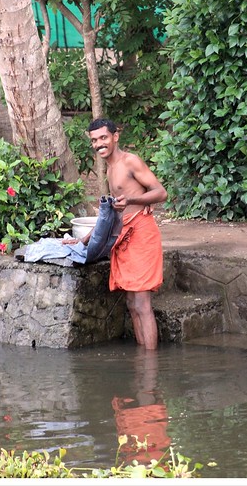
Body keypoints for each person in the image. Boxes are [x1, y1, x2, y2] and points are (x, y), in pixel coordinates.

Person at [67, 118, 167, 349]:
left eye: (103, 137)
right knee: (132, 304)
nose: (99, 143)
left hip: (141, 234)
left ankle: (150, 370)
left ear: (115, 136)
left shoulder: (130, 161)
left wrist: (133, 200)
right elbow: (111, 212)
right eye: (94, 140)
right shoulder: (111, 169)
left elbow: (161, 193)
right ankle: (144, 361)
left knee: (142, 304)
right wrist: (83, 239)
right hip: (123, 238)